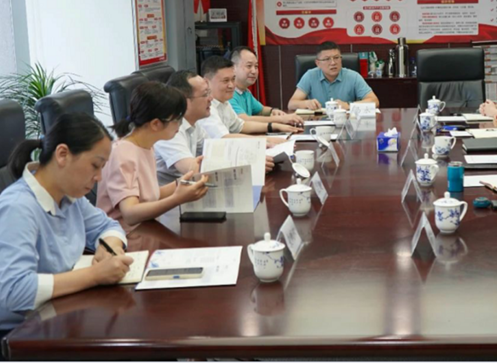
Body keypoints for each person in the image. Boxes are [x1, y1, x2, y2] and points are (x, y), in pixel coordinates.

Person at [0, 113, 133, 335]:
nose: (99, 177)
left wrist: (109, 247)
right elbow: (16, 291)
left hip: (61, 316)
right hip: (20, 335)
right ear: (62, 154)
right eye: (95, 165)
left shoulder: (69, 196)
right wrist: (95, 275)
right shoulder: (17, 207)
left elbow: (108, 227)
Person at [96, 82, 209, 230]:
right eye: (177, 120)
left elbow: (150, 195)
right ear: (156, 124)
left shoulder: (146, 146)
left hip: (146, 230)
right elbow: (130, 213)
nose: (180, 125)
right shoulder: (122, 154)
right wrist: (177, 199)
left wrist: (187, 181)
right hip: (122, 237)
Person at [198, 56, 301, 138]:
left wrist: (274, 126)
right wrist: (266, 140)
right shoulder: (205, 106)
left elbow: (241, 125)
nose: (231, 85)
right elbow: (224, 138)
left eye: (233, 79)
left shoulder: (225, 102)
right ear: (206, 82)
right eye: (225, 81)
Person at [287, 41, 380, 111]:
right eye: (327, 59)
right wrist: (306, 103)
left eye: (336, 58)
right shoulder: (310, 75)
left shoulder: (353, 76)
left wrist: (348, 105)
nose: (333, 63)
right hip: (317, 124)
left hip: (345, 123)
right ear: (318, 63)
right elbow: (291, 104)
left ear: (341, 59)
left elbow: (374, 101)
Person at [229, 46, 304, 126]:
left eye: (256, 66)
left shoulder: (245, 91)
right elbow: (243, 120)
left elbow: (261, 110)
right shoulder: (228, 93)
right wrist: (280, 119)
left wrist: (273, 111)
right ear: (233, 68)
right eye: (249, 66)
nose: (254, 71)